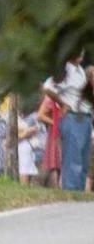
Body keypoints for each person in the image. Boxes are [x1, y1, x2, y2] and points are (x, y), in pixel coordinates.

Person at [42, 50, 93, 192]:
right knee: (73, 159)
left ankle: (79, 194)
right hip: (73, 117)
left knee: (83, 160)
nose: (81, 52)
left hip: (85, 117)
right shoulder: (65, 70)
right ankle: (71, 193)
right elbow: (47, 87)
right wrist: (62, 103)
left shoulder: (81, 71)